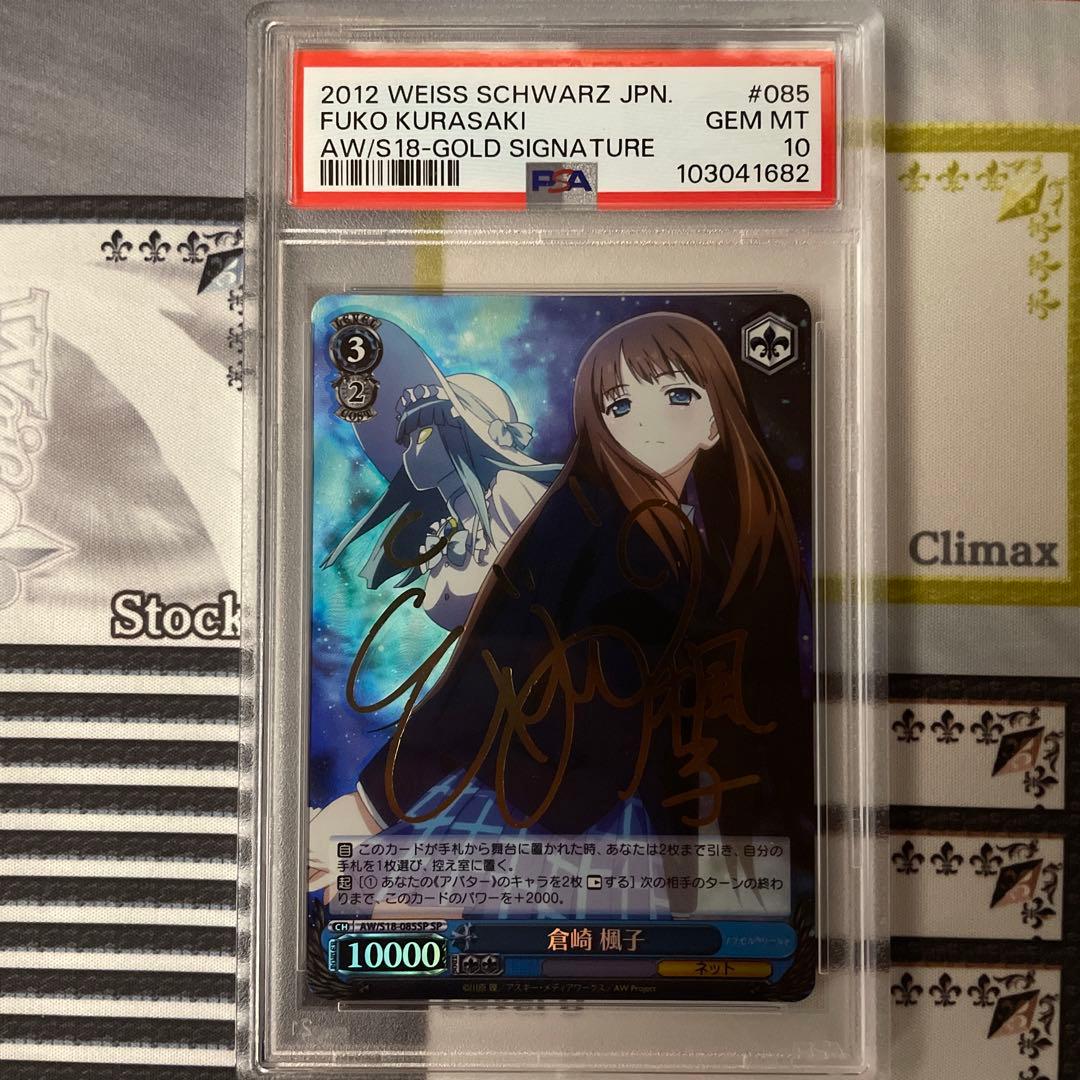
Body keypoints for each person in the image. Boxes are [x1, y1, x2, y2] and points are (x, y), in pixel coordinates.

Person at [311, 312, 810, 899]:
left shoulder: (733, 548)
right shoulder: (575, 520)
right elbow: (483, 674)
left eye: (677, 396)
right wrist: (368, 805)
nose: (645, 422)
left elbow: (764, 701)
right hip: (553, 810)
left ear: (715, 424)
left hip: (677, 824)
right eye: (620, 405)